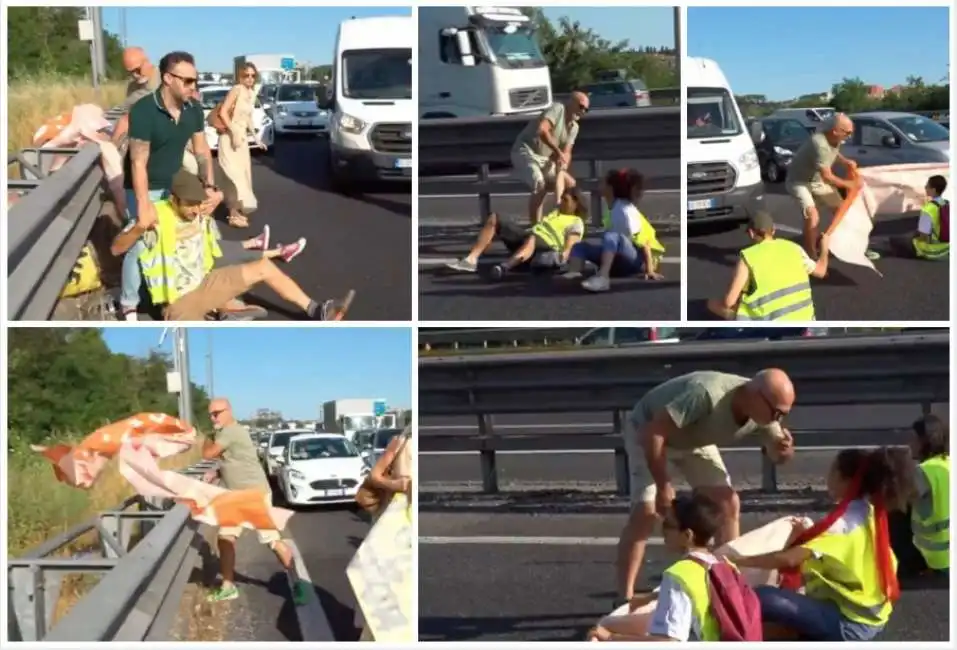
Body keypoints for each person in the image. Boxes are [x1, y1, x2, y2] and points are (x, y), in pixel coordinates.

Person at [615, 369, 796, 607]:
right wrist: (663, 484)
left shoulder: (764, 414)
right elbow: (654, 433)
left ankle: (727, 587)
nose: (777, 420)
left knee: (728, 503)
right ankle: (624, 599)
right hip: (651, 432)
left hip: (692, 439)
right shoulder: (707, 394)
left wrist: (784, 451)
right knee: (646, 513)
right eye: (775, 412)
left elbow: (777, 456)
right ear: (755, 394)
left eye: (782, 414)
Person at [110, 169, 335, 321]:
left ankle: (316, 309)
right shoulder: (156, 215)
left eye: (198, 203)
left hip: (205, 282)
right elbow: (116, 249)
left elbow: (215, 250)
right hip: (178, 302)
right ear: (173, 199)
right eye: (189, 205)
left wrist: (252, 257)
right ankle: (224, 314)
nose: (196, 210)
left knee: (263, 266)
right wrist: (139, 227)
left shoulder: (200, 213)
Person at [735, 447, 912, 641]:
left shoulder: (842, 524)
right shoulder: (869, 511)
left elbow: (788, 560)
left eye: (832, 471)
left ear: (843, 478)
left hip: (850, 624)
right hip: (873, 616)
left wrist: (737, 559)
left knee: (763, 598)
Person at [119, 51, 217, 321]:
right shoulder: (144, 110)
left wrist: (208, 187)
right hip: (144, 185)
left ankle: (179, 294)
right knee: (140, 241)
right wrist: (143, 205)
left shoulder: (194, 108)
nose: (192, 86)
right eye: (186, 81)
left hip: (175, 185)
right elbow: (138, 162)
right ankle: (128, 303)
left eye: (194, 80)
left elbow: (201, 150)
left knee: (183, 240)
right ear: (167, 79)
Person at [200, 398, 311, 605]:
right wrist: (217, 471)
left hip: (254, 496)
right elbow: (234, 459)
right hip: (236, 496)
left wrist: (205, 436)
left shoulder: (230, 431)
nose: (213, 417)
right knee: (225, 539)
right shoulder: (227, 432)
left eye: (217, 413)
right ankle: (228, 587)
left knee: (272, 541)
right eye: (211, 414)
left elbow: (208, 454)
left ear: (228, 411)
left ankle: (298, 583)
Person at [589, 493, 730, 641]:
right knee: (609, 623)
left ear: (687, 535)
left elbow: (668, 642)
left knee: (602, 629)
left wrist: (611, 638)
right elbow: (697, 590)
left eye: (668, 525)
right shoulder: (722, 565)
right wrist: (650, 597)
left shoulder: (678, 576)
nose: (662, 530)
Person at [707, 210, 830, 321]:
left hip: (769, 322)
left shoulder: (748, 257)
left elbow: (729, 301)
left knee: (713, 304)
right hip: (805, 319)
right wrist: (824, 249)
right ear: (774, 230)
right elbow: (821, 271)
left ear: (751, 233)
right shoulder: (794, 248)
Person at [443, 187, 587, 278]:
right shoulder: (556, 212)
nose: (561, 202)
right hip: (529, 237)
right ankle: (471, 260)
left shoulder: (576, 222)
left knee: (532, 238)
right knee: (496, 218)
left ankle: (506, 266)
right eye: (561, 198)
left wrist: (564, 257)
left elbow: (571, 245)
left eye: (565, 200)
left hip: (546, 248)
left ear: (576, 204)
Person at [563, 168, 666, 291]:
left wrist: (649, 270)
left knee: (612, 236)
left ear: (611, 188)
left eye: (603, 183)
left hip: (638, 262)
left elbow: (645, 243)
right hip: (621, 258)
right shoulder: (611, 208)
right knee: (580, 246)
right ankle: (574, 272)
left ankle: (603, 277)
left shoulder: (625, 211)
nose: (600, 185)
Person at [356, 426, 413, 640]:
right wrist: (397, 484)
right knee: (387, 599)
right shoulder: (402, 441)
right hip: (394, 523)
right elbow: (375, 476)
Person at [784, 113, 859, 258]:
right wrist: (850, 185)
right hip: (799, 182)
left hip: (817, 181)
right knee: (812, 215)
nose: (849, 136)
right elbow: (828, 176)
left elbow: (834, 152)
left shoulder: (834, 138)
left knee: (842, 210)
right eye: (848, 132)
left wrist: (845, 161)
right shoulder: (820, 143)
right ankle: (811, 255)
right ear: (835, 131)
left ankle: (841, 243)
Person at [510, 92, 589, 224]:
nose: (583, 112)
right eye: (581, 107)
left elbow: (567, 151)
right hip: (526, 152)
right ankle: (536, 226)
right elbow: (542, 130)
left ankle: (567, 222)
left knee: (571, 184)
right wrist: (557, 152)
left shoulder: (574, 127)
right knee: (540, 183)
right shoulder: (558, 109)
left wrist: (563, 163)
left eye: (586, 109)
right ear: (571, 103)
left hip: (544, 159)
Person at [890, 414, 950, 576]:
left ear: (925, 441)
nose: (910, 445)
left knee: (893, 514)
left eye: (913, 439)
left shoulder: (923, 472)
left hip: (936, 558)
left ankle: (908, 568)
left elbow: (897, 501)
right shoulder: (948, 464)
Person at [216, 61, 266, 228]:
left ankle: (237, 212)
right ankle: (233, 214)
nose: (250, 79)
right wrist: (234, 131)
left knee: (243, 178)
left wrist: (257, 139)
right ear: (240, 76)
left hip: (242, 142)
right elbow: (223, 112)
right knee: (233, 177)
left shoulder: (251, 93)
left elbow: (248, 118)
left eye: (253, 76)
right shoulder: (236, 90)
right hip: (230, 139)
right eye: (246, 75)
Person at [888, 175, 949, 260]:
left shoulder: (928, 209)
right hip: (947, 248)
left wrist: (913, 238)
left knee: (895, 241)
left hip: (932, 250)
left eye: (927, 186)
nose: (925, 187)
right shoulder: (947, 204)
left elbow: (923, 235)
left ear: (933, 190)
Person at [112, 46, 162, 145]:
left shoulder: (163, 79)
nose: (135, 75)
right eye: (131, 72)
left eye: (138, 70)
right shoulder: (132, 86)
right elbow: (127, 112)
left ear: (147, 62)